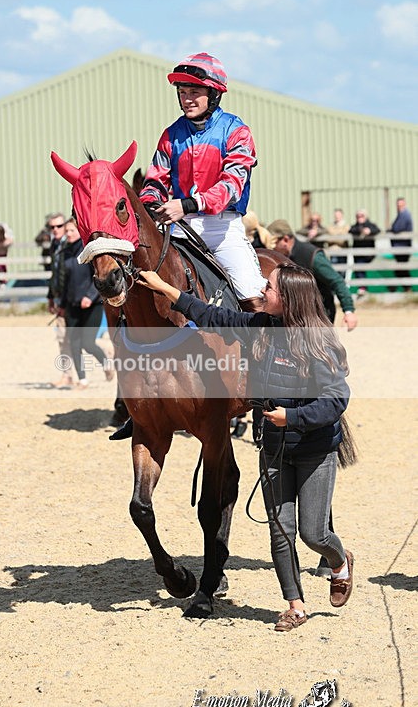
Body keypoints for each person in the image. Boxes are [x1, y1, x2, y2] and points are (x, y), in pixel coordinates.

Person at [137, 263, 355, 632]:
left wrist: (293, 417)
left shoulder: (321, 341)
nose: (261, 289)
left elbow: (336, 400)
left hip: (316, 449)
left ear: (287, 299)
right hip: (273, 447)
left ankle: (340, 562)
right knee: (280, 530)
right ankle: (295, 605)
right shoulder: (260, 328)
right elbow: (210, 315)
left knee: (312, 533)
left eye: (268, 287)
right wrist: (164, 288)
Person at [139, 52, 266, 306]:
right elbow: (154, 181)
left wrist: (186, 204)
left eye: (194, 93)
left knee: (253, 299)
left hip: (222, 231)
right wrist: (152, 204)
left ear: (214, 94)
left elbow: (231, 187)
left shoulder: (236, 132)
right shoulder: (171, 135)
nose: (187, 100)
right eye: (182, 93)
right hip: (180, 230)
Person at [265, 220, 357, 330]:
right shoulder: (282, 257)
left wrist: (348, 310)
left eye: (274, 243)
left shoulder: (312, 256)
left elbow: (337, 281)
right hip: (296, 316)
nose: (271, 247)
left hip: (318, 315)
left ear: (285, 239)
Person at [60, 218, 114, 389]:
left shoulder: (89, 250)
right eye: (66, 231)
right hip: (72, 305)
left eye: (71, 230)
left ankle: (106, 363)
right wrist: (60, 304)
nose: (68, 233)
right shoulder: (65, 252)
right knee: (74, 342)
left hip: (93, 304)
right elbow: (63, 281)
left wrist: (90, 297)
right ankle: (82, 379)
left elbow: (98, 276)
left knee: (87, 343)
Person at [46, 215, 73, 387]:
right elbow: (55, 274)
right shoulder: (55, 246)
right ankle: (67, 375)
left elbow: (70, 276)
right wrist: (51, 297)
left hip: (71, 300)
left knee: (82, 339)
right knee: (62, 339)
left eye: (59, 226)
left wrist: (63, 302)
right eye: (52, 227)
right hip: (59, 298)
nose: (55, 229)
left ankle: (106, 355)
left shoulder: (70, 245)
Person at [348, 209, 380, 295]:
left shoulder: (371, 225)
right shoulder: (355, 226)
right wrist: (360, 230)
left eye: (361, 216)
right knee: (358, 267)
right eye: (358, 216)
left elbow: (377, 229)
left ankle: (362, 287)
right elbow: (351, 230)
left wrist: (369, 231)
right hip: (358, 253)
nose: (359, 218)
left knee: (360, 266)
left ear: (366, 216)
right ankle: (362, 288)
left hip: (368, 254)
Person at [389, 197, 413, 292]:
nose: (399, 207)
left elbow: (397, 228)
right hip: (399, 247)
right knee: (400, 268)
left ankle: (407, 288)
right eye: (398, 205)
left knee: (401, 269)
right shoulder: (401, 215)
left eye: (401, 205)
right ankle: (406, 288)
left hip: (403, 247)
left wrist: (391, 229)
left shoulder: (405, 215)